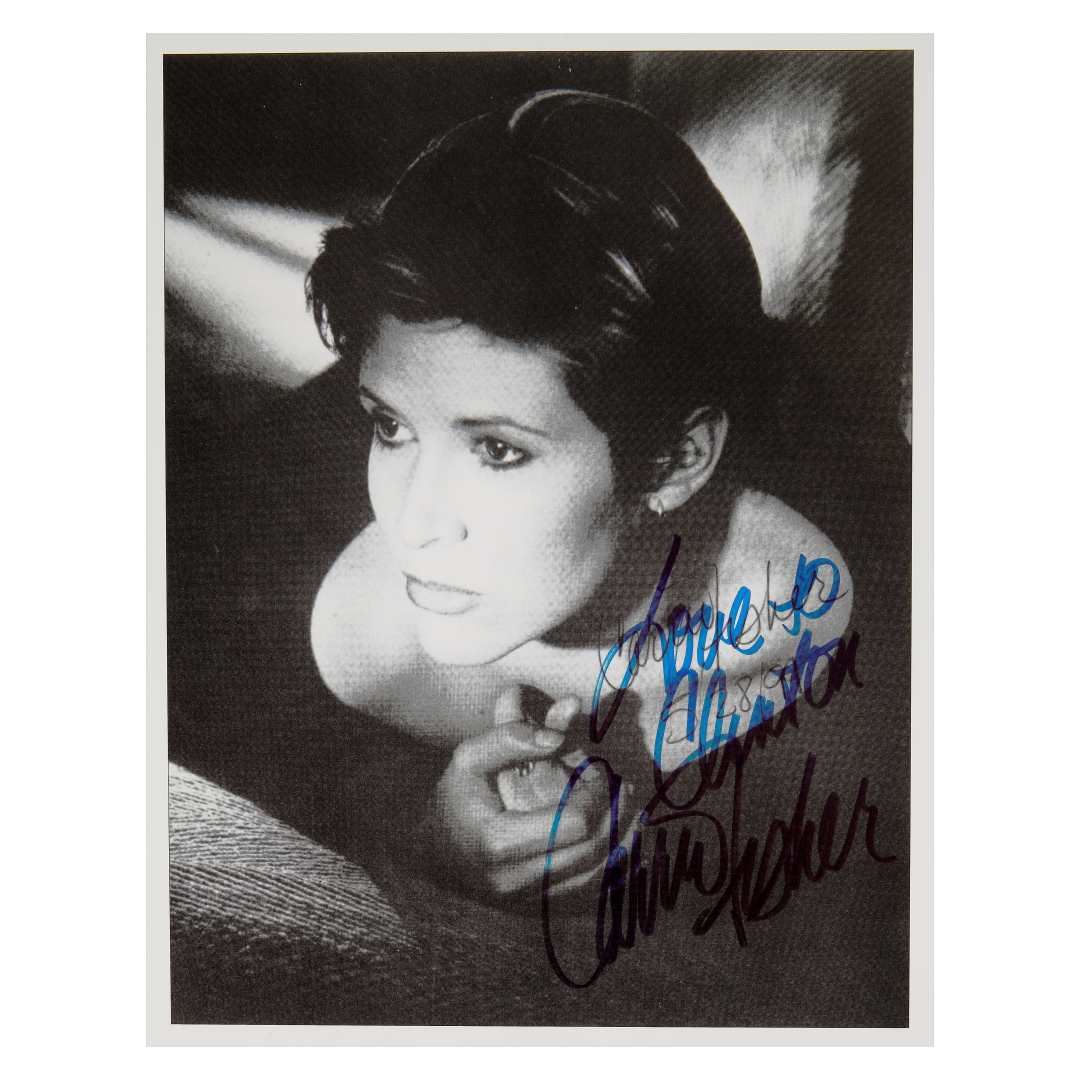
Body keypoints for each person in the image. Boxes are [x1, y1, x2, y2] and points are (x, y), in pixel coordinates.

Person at [304, 90, 854, 902]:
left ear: (676, 464)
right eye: (388, 427)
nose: (412, 521)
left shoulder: (811, 595)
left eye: (497, 451)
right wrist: (424, 845)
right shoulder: (340, 618)